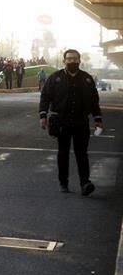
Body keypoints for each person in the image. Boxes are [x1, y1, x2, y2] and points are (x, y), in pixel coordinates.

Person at [39, 49, 102, 195]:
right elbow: (45, 97)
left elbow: (94, 101)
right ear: (64, 61)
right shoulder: (55, 78)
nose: (72, 61)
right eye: (69, 59)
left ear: (79, 61)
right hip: (62, 122)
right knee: (63, 153)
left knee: (82, 154)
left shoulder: (87, 79)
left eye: (75, 59)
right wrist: (43, 116)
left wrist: (98, 119)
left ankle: (85, 183)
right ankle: (63, 182)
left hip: (81, 122)